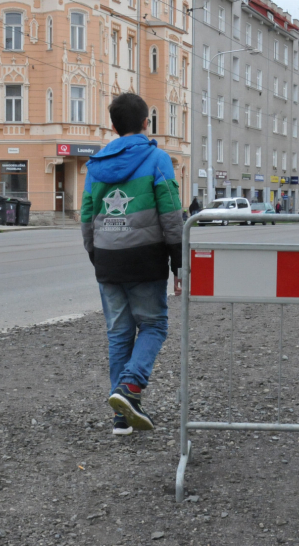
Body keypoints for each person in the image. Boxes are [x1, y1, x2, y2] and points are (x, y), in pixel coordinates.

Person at [81, 93, 183, 436]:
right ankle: (130, 387)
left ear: (113, 126)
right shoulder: (157, 159)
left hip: (108, 259)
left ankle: (122, 417)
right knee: (154, 326)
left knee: (119, 335)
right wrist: (177, 261)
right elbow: (170, 214)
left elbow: (86, 218)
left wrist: (98, 257)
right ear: (145, 123)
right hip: (145, 258)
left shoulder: (95, 165)